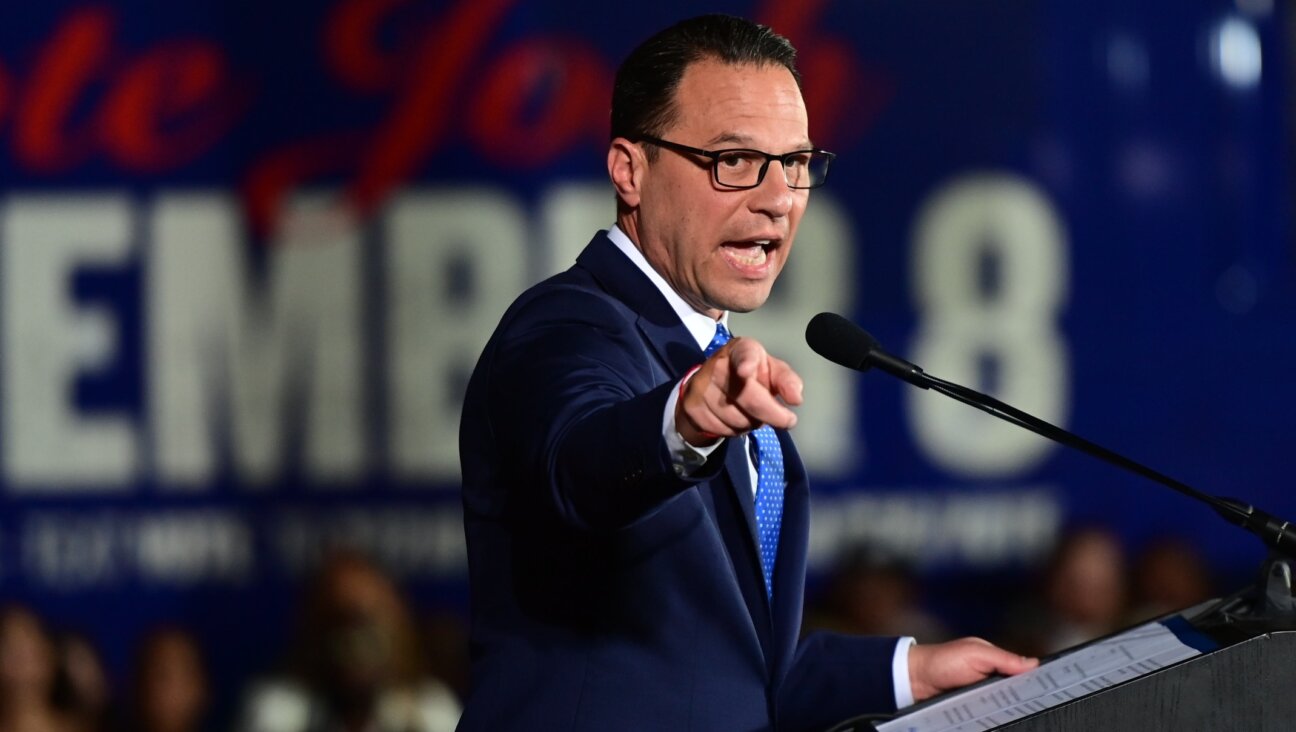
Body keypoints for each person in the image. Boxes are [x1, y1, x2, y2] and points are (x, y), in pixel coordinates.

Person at [457, 14, 1035, 731]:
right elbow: (579, 463)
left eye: (794, 163)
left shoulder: (708, 354)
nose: (777, 199)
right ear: (629, 171)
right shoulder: (567, 327)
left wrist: (906, 671)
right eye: (734, 161)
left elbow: (727, 672)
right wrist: (682, 421)